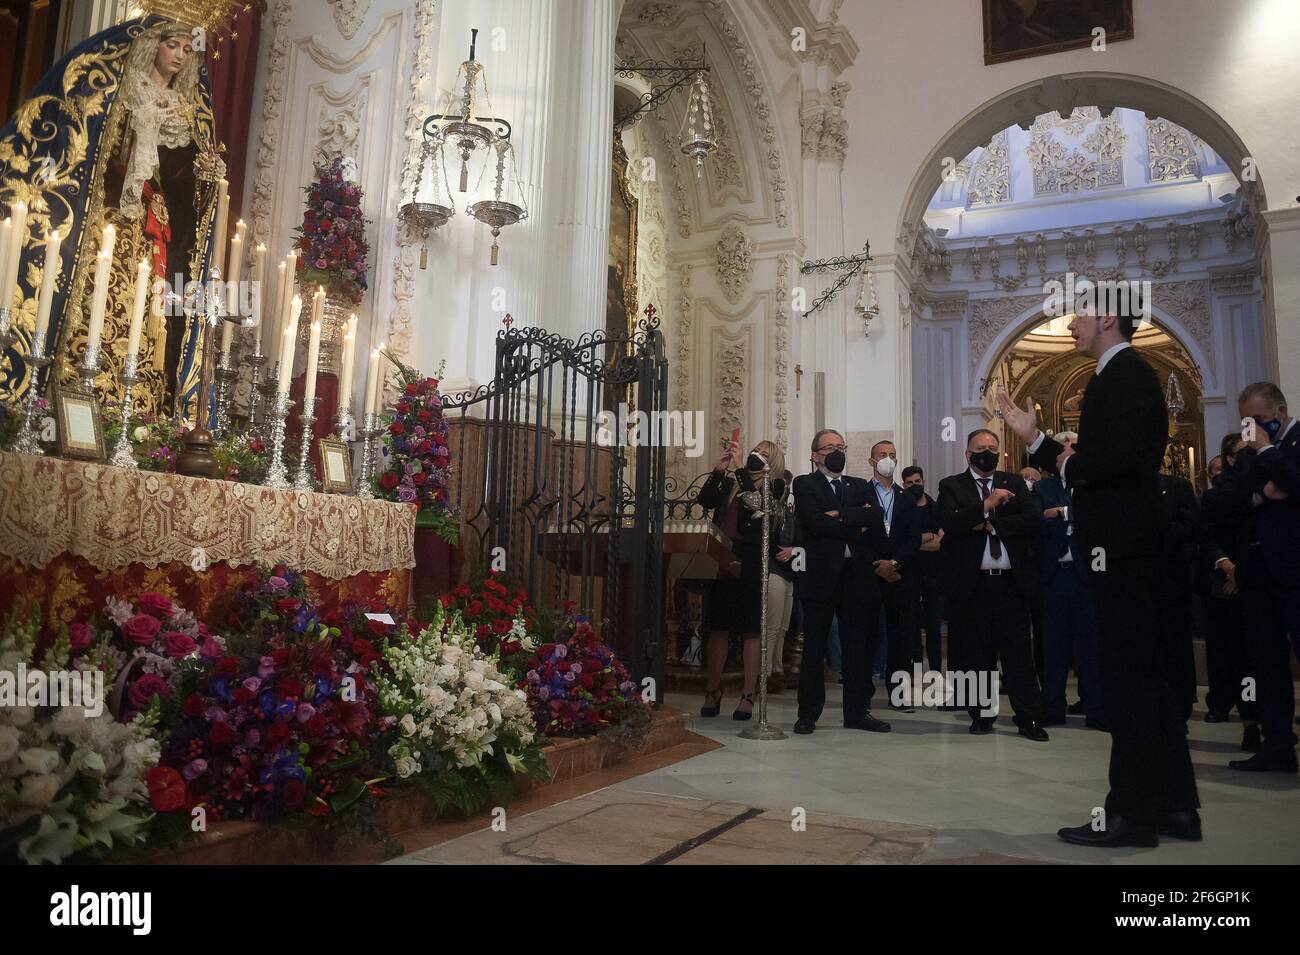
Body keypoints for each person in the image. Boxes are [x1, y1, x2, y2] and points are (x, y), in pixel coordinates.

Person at [999, 298, 1200, 848]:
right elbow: (1114, 457)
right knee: (1151, 679)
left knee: (1131, 682)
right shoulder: (1126, 374)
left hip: (1125, 549)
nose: (1071, 323)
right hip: (1135, 548)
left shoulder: (1121, 374)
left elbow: (1114, 462)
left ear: (1109, 318)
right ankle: (1178, 807)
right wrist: (1037, 438)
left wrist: (1060, 458)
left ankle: (1131, 816)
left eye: (1080, 313)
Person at [936, 429, 1049, 741]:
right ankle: (981, 714)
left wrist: (991, 524)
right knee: (978, 652)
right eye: (980, 448)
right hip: (974, 585)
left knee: (1018, 654)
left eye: (992, 448)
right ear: (968, 454)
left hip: (1011, 583)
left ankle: (1028, 717)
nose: (987, 453)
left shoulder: (1013, 482)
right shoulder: (952, 485)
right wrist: (987, 503)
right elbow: (951, 522)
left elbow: (1032, 519)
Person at [791, 430, 891, 735]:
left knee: (857, 648)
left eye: (840, 446)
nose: (836, 452)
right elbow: (815, 523)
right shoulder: (805, 483)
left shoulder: (858, 485)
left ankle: (858, 712)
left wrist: (839, 516)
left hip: (856, 576)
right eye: (830, 447)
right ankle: (808, 714)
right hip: (820, 577)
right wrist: (852, 520)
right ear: (815, 455)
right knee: (814, 649)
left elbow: (874, 518)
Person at [1226, 382, 1299, 773]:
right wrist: (1263, 494)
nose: (1251, 429)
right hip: (1256, 574)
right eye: (1246, 422)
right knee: (1266, 664)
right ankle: (1278, 747)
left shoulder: (1290, 443)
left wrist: (1270, 454)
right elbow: (1233, 498)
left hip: (1294, 568)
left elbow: (1295, 483)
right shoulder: (1248, 455)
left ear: (1281, 412)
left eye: (1259, 420)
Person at [697, 439, 788, 721]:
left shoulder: (775, 487)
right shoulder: (733, 481)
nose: (755, 456)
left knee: (750, 629)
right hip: (722, 556)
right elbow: (705, 500)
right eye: (755, 451)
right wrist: (718, 471)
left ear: (771, 461)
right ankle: (713, 690)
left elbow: (758, 507)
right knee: (718, 627)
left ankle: (748, 694)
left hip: (751, 561)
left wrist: (741, 472)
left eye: (762, 453)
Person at [1032, 431, 1105, 729]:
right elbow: (1037, 522)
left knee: (1092, 648)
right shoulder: (1042, 487)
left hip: (1087, 578)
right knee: (1052, 648)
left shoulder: (1092, 486)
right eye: (1065, 450)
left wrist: (1061, 513)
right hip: (1054, 579)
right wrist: (1072, 521)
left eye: (1075, 448)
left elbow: (1098, 520)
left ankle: (1097, 709)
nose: (1069, 454)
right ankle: (1052, 708)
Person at [1197, 432, 1260, 751]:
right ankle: (1249, 722)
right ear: (1232, 459)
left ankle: (1275, 725)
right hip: (1227, 586)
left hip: (1262, 585)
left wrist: (1245, 571)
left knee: (1266, 660)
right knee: (1235, 658)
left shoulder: (1265, 489)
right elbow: (1207, 538)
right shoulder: (1217, 496)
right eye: (1243, 453)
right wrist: (1230, 568)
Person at [866, 441, 922, 711]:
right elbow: (857, 534)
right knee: (866, 634)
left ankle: (898, 693)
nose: (887, 459)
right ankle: (862, 692)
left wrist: (895, 563)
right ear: (871, 461)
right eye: (882, 455)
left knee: (901, 637)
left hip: (901, 577)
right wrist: (878, 564)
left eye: (892, 455)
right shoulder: (860, 494)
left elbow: (914, 539)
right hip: (869, 574)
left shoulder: (907, 499)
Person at [1158, 465, 1200, 722]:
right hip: (1137, 581)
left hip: (1172, 578)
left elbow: (1191, 527)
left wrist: (1156, 530)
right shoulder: (1125, 491)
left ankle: (1181, 706)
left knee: (1176, 646)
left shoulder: (1177, 487)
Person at [902, 466, 944, 675]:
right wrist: (924, 537)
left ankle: (936, 670)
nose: (914, 485)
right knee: (910, 627)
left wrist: (915, 541)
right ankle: (915, 671)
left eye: (917, 481)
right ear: (904, 485)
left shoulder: (935, 508)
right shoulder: (901, 508)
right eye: (909, 482)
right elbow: (900, 542)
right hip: (908, 576)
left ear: (923, 481)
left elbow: (940, 543)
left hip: (933, 576)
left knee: (934, 627)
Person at [766, 470, 798, 693]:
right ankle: (765, 673)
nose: (785, 488)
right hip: (773, 570)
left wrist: (795, 549)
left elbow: (796, 539)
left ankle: (777, 669)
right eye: (782, 483)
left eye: (788, 484)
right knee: (772, 626)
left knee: (783, 626)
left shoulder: (789, 512)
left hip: (789, 573)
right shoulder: (769, 509)